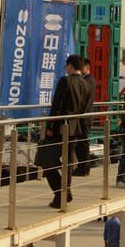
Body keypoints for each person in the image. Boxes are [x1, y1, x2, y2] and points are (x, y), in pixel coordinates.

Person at [45, 54, 92, 208]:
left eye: (66, 66)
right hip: (76, 128)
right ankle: (64, 194)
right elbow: (86, 108)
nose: (65, 68)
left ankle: (61, 193)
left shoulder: (65, 81)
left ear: (71, 66)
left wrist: (50, 127)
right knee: (67, 163)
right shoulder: (87, 84)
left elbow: (57, 106)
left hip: (61, 127)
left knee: (47, 160)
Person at [72, 58, 95, 177]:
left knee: (83, 144)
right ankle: (82, 167)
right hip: (83, 117)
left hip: (84, 118)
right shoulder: (86, 80)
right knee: (81, 143)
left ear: (87, 68)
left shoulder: (88, 80)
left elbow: (85, 101)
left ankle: (83, 168)